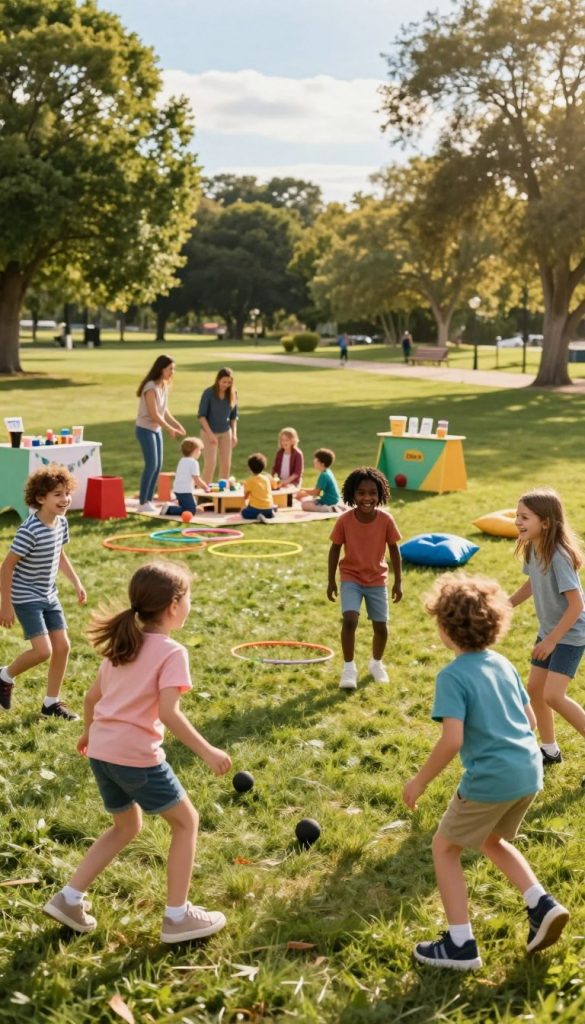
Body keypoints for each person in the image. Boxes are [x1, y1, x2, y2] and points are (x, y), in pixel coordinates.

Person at [43, 561, 232, 942]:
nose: (191, 604)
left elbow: (91, 698)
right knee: (186, 822)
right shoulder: (172, 652)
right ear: (174, 605)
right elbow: (168, 713)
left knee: (126, 826)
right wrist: (207, 750)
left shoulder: (123, 643)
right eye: (189, 597)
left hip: (102, 752)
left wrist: (87, 733)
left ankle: (69, 898)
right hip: (134, 757)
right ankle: (177, 917)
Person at [403, 573, 568, 970]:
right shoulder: (503, 663)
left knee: (444, 849)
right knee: (491, 839)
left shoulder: (452, 676)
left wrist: (419, 780)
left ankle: (461, 945)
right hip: (528, 770)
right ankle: (541, 904)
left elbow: (452, 740)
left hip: (491, 778)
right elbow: (529, 719)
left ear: (444, 630)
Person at [0, 466, 86, 720]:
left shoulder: (61, 523)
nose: (65, 499)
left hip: (49, 594)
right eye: (57, 495)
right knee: (42, 651)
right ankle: (4, 675)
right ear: (40, 499)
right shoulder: (30, 530)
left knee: (63, 647)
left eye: (66, 493)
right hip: (25, 596)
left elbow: (60, 554)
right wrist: (5, 605)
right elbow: (6, 567)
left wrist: (76, 583)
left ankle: (51, 704)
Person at [510, 488, 585, 767]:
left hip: (570, 634)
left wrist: (552, 640)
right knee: (535, 689)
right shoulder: (534, 547)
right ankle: (550, 750)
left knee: (553, 695)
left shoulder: (559, 556)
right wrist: (507, 604)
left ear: (546, 522)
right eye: (517, 515)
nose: (518, 521)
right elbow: (532, 583)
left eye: (525, 517)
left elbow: (577, 605)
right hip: (550, 631)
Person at [327, 467, 402, 689]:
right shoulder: (345, 520)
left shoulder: (386, 520)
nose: (367, 498)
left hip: (377, 579)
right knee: (350, 619)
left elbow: (395, 550)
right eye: (361, 493)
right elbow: (334, 549)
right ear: (352, 494)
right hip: (351, 576)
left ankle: (376, 664)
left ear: (380, 495)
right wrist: (331, 580)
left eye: (372, 493)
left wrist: (398, 581)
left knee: (380, 627)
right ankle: (349, 668)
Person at [135, 355, 186, 513]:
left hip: (155, 429)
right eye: (170, 369)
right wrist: (169, 429)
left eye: (174, 369)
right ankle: (143, 502)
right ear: (161, 369)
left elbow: (165, 411)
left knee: (157, 465)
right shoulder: (150, 387)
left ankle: (148, 500)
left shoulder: (163, 385)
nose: (172, 372)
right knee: (151, 465)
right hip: (145, 429)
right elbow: (154, 414)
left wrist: (176, 424)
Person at [197, 368, 238, 483]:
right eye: (224, 382)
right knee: (210, 465)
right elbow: (201, 416)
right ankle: (203, 494)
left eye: (229, 382)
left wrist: (234, 434)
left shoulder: (233, 393)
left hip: (226, 432)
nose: (226, 385)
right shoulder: (208, 393)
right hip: (208, 432)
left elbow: (233, 417)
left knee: (226, 465)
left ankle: (222, 495)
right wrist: (210, 435)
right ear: (218, 380)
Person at [163, 437, 210, 517]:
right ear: (195, 450)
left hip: (178, 489)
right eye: (199, 450)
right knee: (191, 511)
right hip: (184, 491)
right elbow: (197, 479)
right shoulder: (193, 462)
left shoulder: (182, 460)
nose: (200, 453)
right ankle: (169, 509)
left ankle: (179, 507)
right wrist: (206, 487)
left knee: (191, 505)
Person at [241, 453, 276, 522]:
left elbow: (246, 497)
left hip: (256, 508)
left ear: (249, 468)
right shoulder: (266, 479)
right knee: (267, 510)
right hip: (269, 507)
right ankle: (270, 514)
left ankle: (258, 516)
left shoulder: (249, 481)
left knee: (244, 512)